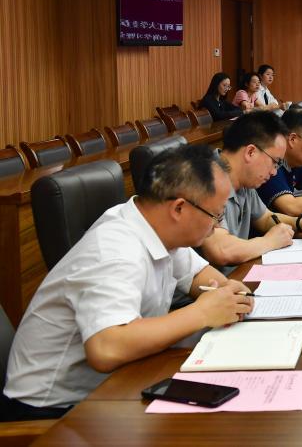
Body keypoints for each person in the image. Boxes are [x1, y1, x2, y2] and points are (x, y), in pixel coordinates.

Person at [1, 146, 253, 420]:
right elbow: (106, 348)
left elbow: (198, 276)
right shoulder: (115, 251)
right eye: (215, 215)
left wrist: (228, 294)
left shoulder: (156, 227)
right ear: (179, 208)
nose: (216, 226)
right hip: (52, 410)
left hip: (117, 383)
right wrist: (202, 312)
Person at [197, 111, 302, 274]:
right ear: (250, 152)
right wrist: (270, 241)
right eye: (275, 162)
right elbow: (221, 250)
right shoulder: (204, 179)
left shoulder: (244, 179)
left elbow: (264, 218)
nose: (274, 172)